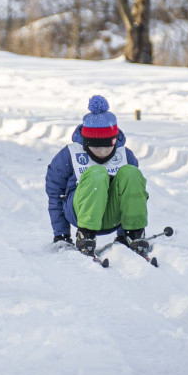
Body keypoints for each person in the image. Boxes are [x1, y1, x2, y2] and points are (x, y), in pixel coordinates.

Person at [45, 95, 150, 257]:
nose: (102, 153)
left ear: (114, 141)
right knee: (97, 172)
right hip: (80, 211)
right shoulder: (69, 154)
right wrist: (62, 234)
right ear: (86, 142)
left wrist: (123, 234)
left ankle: (134, 233)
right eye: (96, 148)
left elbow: (131, 193)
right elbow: (55, 193)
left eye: (107, 147)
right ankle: (85, 234)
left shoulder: (125, 156)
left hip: (112, 215)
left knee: (131, 173)